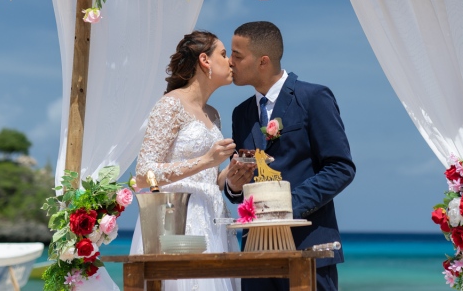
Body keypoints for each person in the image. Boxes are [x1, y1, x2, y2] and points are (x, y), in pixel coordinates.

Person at [224, 21, 356, 291]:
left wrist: (286, 207)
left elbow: (340, 168)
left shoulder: (314, 97)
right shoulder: (241, 113)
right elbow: (241, 183)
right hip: (255, 252)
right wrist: (234, 187)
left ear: (263, 61)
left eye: (237, 55)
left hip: (309, 247)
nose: (229, 61)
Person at [130, 30, 240, 291]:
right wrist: (206, 160)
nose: (231, 61)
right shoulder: (169, 105)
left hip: (213, 221)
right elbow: (143, 174)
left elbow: (210, 178)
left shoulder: (213, 114)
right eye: (224, 55)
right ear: (205, 60)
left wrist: (232, 173)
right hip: (177, 223)